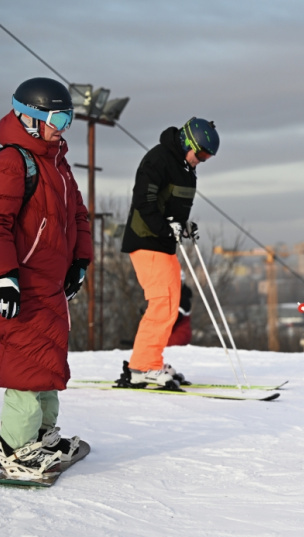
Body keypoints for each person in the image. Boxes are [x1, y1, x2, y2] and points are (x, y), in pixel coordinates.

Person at [0, 77, 93, 479]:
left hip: (50, 282)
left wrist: (81, 261)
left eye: (68, 118)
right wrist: (7, 275)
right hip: (20, 281)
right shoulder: (12, 161)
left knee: (46, 360)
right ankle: (14, 449)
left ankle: (42, 437)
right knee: (24, 365)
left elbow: (78, 214)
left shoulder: (56, 162)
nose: (61, 127)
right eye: (56, 118)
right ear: (29, 118)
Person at [120, 117, 219, 387]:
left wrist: (182, 226)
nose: (202, 160)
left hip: (163, 244)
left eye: (207, 157)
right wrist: (166, 228)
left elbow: (171, 207)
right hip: (146, 240)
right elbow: (144, 201)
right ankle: (142, 366)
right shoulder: (159, 159)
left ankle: (151, 359)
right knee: (162, 303)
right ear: (187, 141)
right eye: (201, 153)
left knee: (170, 304)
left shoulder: (184, 166)